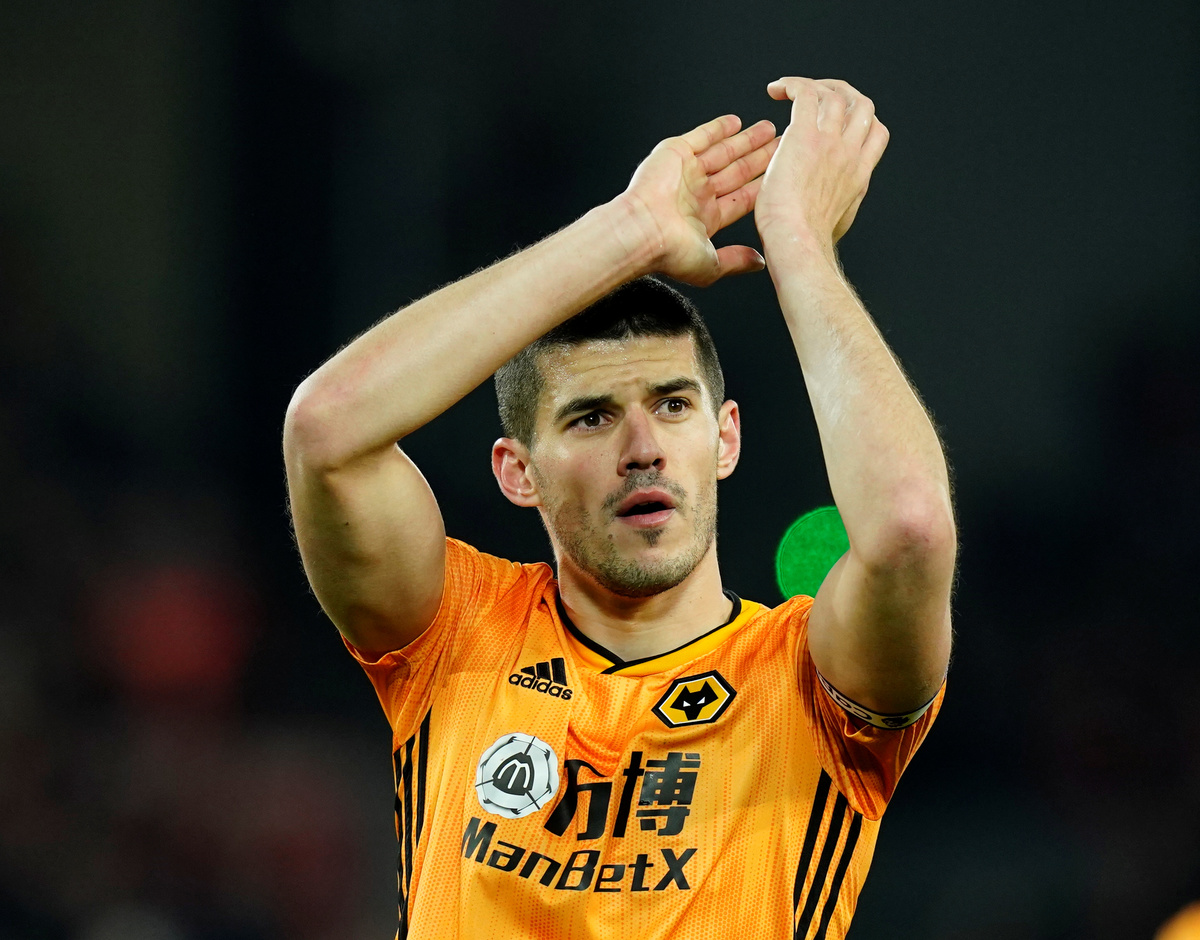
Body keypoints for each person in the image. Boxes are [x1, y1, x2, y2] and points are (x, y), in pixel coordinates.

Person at [283, 76, 956, 939]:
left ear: (725, 439)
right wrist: (630, 229)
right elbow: (328, 428)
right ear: (517, 472)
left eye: (673, 405)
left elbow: (909, 528)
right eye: (591, 418)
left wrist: (799, 246)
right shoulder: (456, 634)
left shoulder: (811, 682)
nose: (643, 446)